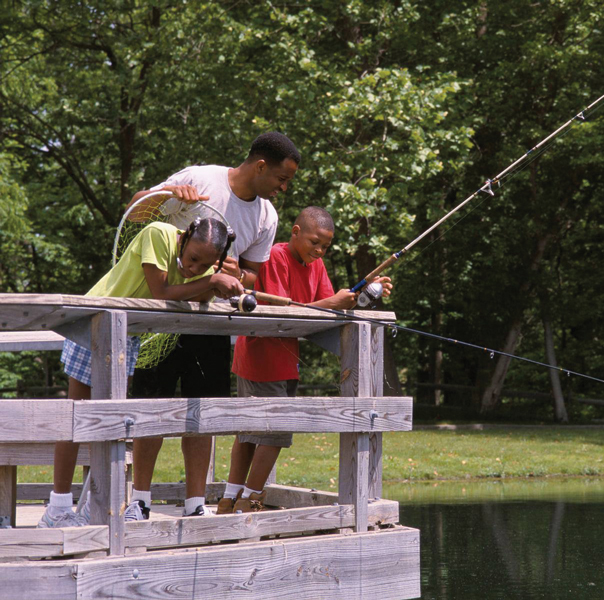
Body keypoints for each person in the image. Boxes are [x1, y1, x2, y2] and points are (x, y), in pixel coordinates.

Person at [124, 132, 300, 520]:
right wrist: (168, 193)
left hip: (213, 324)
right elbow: (135, 209)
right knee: (153, 411)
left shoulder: (266, 216)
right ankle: (139, 501)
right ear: (260, 166)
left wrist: (240, 273)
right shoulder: (202, 179)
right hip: (163, 318)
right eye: (281, 179)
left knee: (201, 416)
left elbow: (254, 276)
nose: (284, 188)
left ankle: (194, 504)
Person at [40, 219, 243, 527]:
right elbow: (160, 290)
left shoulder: (202, 271)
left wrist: (219, 279)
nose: (193, 268)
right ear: (185, 236)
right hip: (95, 321)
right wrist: (212, 282)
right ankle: (56, 509)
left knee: (111, 421)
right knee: (77, 418)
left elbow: (196, 295)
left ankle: (88, 509)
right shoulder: (158, 234)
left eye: (204, 264)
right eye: (192, 258)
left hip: (127, 332)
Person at [216, 206, 392, 514]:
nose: (320, 250)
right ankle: (248, 500)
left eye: (326, 246)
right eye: (314, 242)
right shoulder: (275, 257)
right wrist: (332, 301)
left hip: (285, 361)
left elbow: (324, 312)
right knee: (271, 432)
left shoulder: (317, 266)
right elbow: (283, 312)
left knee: (253, 433)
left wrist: (364, 293)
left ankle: (230, 501)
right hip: (260, 356)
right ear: (295, 232)